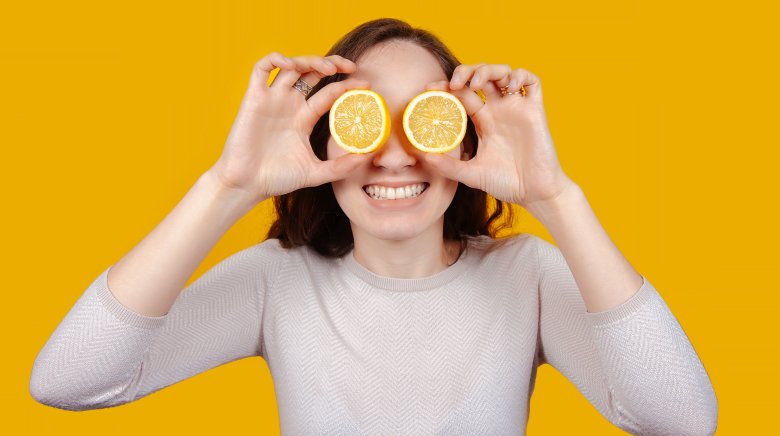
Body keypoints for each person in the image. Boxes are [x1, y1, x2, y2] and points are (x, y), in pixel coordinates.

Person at [29, 18, 718, 435]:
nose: (393, 151)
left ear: (467, 142)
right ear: (324, 140)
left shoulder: (525, 276)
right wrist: (227, 186)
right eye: (364, 118)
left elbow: (681, 420)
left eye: (425, 118)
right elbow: (70, 380)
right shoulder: (279, 281)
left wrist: (556, 195)